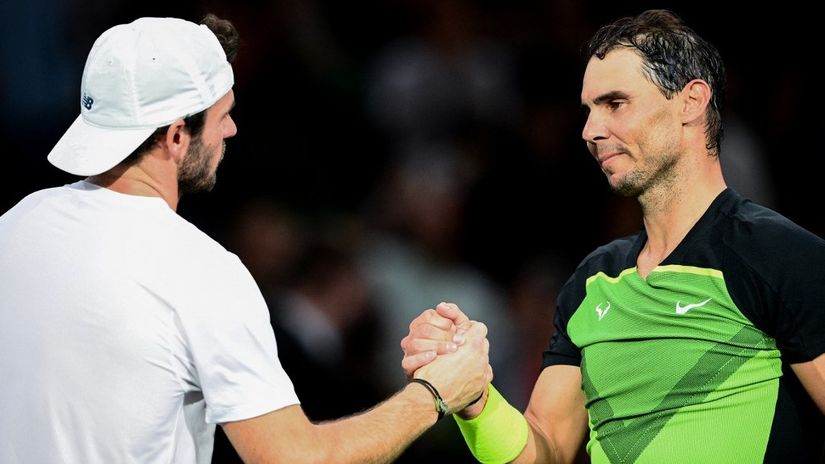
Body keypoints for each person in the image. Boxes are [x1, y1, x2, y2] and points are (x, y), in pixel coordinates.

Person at [0, 15, 492, 463]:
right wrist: (435, 392)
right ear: (175, 136)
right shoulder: (200, 271)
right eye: (222, 116)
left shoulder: (14, 227)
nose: (232, 130)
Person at [401, 9, 825, 464]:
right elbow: (543, 449)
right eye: (588, 110)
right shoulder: (591, 280)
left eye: (615, 104)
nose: (590, 130)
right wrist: (475, 399)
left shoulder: (781, 255)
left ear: (691, 101)